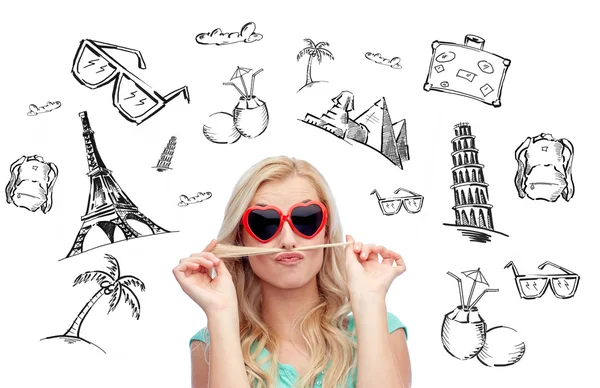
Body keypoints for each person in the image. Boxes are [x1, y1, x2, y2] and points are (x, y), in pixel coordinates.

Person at [173, 156, 411, 388]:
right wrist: (221, 311)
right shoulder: (207, 344)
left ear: (326, 232)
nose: (287, 240)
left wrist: (369, 300)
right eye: (265, 222)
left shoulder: (384, 328)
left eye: (306, 219)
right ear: (240, 237)